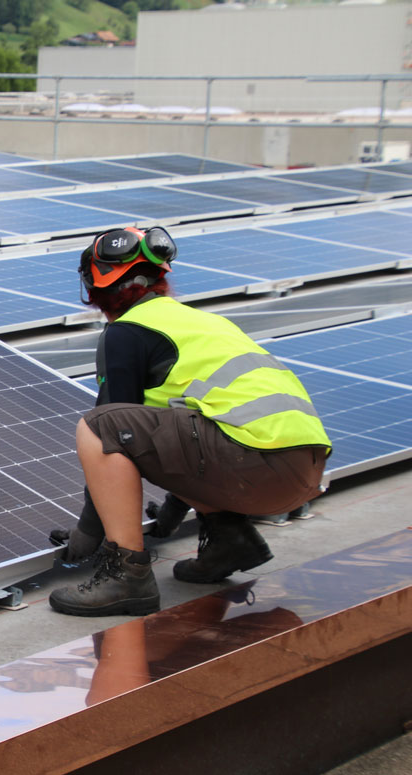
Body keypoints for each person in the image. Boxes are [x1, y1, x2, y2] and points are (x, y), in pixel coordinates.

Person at [47, 225, 332, 617]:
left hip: (253, 463)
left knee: (98, 427)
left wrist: (87, 536)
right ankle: (230, 541)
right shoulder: (200, 322)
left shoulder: (128, 332)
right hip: (303, 468)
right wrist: (173, 511)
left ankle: (126, 577)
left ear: (96, 287)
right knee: (150, 425)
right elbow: (191, 427)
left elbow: (112, 431)